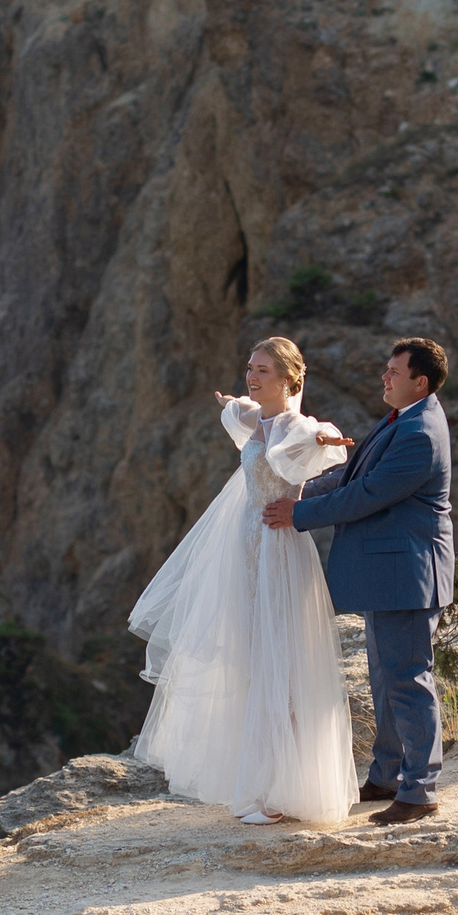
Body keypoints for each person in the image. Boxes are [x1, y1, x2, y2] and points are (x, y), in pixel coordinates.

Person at [125, 336, 357, 824]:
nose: (252, 377)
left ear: (291, 378)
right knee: (250, 660)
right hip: (246, 545)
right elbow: (239, 411)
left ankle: (280, 791)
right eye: (250, 368)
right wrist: (231, 402)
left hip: (278, 548)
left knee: (280, 661)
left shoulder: (295, 426)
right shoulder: (256, 418)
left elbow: (316, 437)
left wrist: (325, 442)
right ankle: (259, 782)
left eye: (264, 371)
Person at [262, 337, 452, 825]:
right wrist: (296, 490)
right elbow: (349, 479)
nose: (384, 378)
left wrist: (298, 512)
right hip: (387, 573)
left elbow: (369, 494)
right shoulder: (400, 419)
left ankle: (421, 790)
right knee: (386, 681)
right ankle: (388, 775)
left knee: (409, 680)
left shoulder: (421, 432)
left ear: (420, 381)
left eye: (393, 371)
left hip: (408, 573)